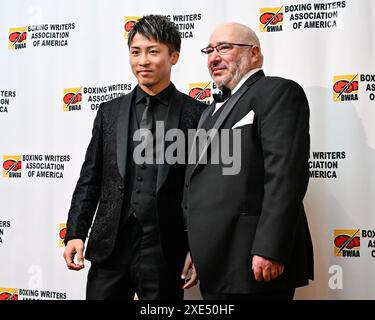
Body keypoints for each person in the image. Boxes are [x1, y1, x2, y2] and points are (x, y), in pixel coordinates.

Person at [63, 15, 204, 300]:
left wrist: (197, 247)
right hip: (110, 246)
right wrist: (75, 232)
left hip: (165, 249)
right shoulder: (109, 111)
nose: (143, 61)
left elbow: (203, 191)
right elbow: (90, 178)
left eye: (153, 51)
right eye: (135, 52)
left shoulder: (197, 115)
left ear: (174, 56)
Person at [182, 22, 314, 300]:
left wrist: (270, 247)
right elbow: (199, 182)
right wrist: (196, 248)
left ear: (254, 54)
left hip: (254, 263)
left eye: (224, 48)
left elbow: (286, 177)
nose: (214, 57)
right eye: (209, 50)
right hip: (214, 261)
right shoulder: (208, 112)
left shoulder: (277, 92)